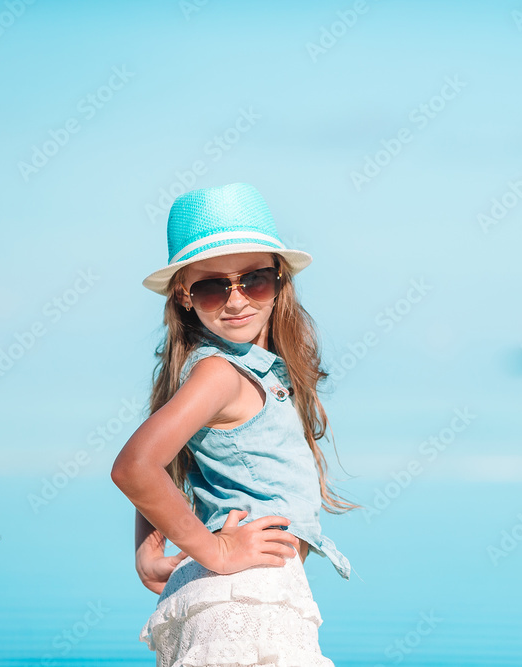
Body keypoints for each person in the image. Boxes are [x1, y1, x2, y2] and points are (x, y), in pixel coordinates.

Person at [111, 182, 360, 666]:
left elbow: (160, 463)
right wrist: (217, 552)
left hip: (236, 595)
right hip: (249, 599)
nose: (236, 300)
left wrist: (149, 547)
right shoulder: (221, 374)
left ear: (279, 280)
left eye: (254, 280)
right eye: (211, 286)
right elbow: (135, 466)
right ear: (184, 296)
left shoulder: (238, 372)